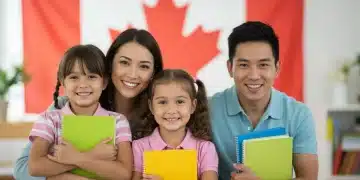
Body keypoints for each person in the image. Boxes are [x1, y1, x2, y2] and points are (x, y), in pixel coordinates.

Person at [13, 28, 164, 180]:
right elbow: (23, 170)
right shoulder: (63, 107)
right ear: (110, 65)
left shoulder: (162, 115)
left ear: (154, 73)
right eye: (124, 62)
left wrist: (77, 159)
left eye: (144, 66)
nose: (132, 74)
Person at [209, 21, 318, 180]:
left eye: (263, 65)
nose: (254, 75)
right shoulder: (208, 109)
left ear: (277, 69)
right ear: (229, 68)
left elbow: (309, 178)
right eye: (244, 65)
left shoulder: (299, 114)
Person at [28, 44, 133, 179]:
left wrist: (75, 158)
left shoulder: (118, 121)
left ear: (105, 82)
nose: (83, 85)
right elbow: (35, 167)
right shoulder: (49, 120)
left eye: (92, 77)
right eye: (74, 77)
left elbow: (124, 174)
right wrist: (93, 155)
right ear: (63, 81)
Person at [131, 69, 218, 180]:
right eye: (162, 102)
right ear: (151, 106)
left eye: (180, 102)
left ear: (193, 106)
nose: (171, 110)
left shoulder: (205, 149)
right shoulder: (139, 147)